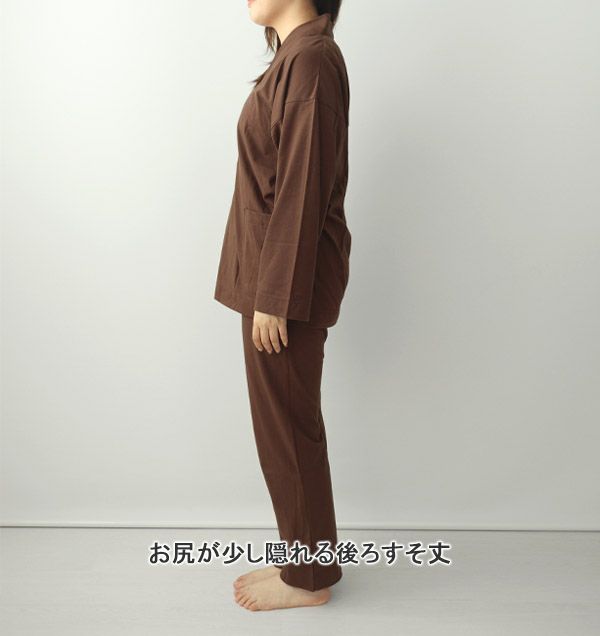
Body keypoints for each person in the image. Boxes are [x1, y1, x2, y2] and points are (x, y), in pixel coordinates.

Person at [214, 0, 351, 611]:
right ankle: (305, 562)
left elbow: (302, 185)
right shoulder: (295, 59)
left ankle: (309, 578)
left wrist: (275, 298)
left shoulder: (311, 59)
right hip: (274, 279)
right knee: (284, 428)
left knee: (289, 431)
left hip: (285, 289)